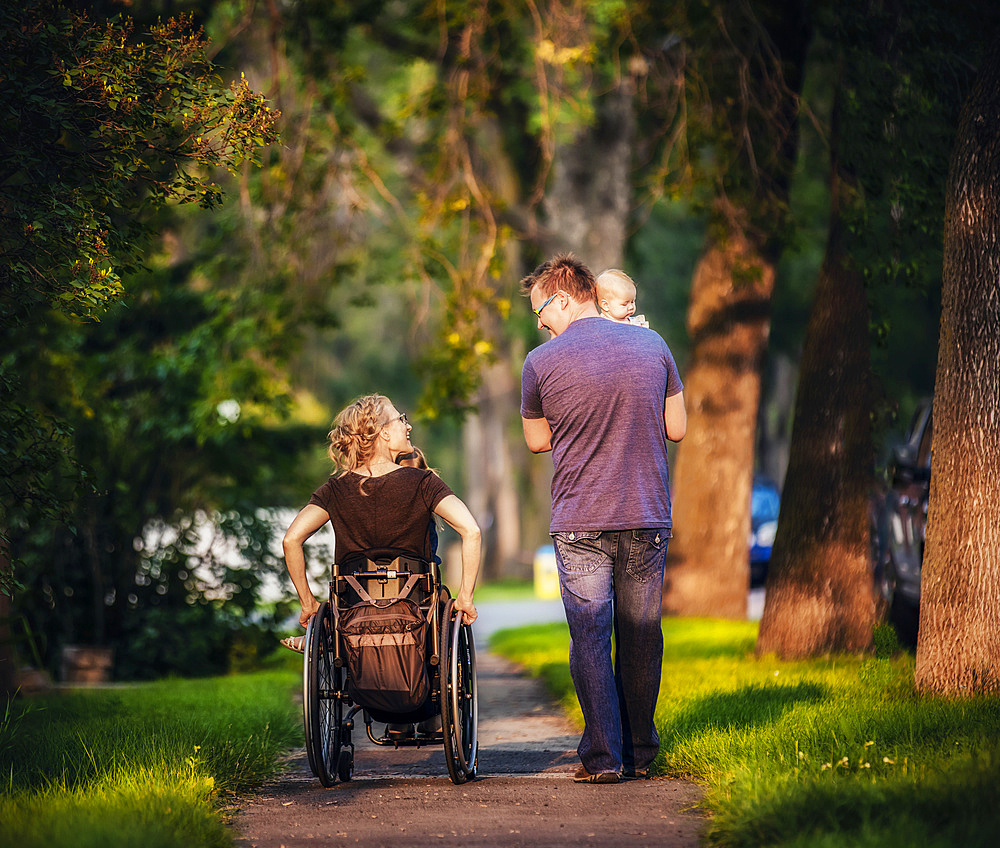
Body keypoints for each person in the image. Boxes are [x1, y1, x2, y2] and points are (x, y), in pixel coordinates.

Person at [520, 254, 686, 785]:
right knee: (641, 633)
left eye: (541, 311)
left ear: (564, 298)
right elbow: (676, 427)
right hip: (645, 513)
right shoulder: (654, 345)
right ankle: (640, 748)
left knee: (590, 636)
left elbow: (537, 441)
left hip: (579, 520)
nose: (540, 323)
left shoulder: (540, 362)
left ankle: (603, 758)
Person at [280, 395, 481, 657]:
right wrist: (465, 597)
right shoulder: (423, 483)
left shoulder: (335, 490)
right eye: (401, 420)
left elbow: (290, 540)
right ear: (384, 432)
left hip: (352, 610)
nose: (408, 427)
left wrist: (307, 603)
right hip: (418, 610)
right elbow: (472, 531)